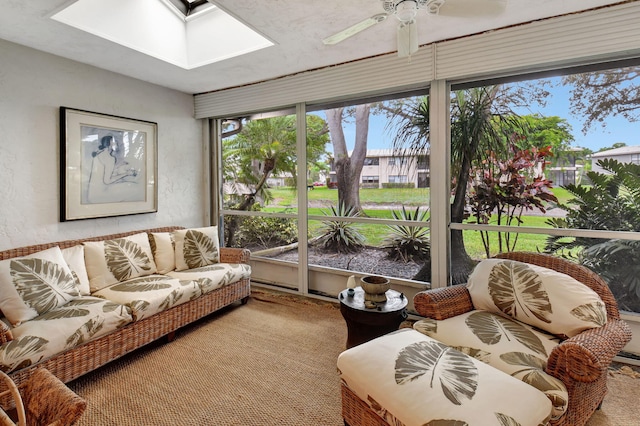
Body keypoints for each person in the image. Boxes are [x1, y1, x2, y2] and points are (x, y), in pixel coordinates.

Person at [86, 135, 138, 203]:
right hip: (100, 196)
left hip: (91, 195)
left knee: (123, 184)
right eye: (115, 142)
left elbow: (102, 172)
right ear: (110, 144)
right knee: (134, 187)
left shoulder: (98, 153)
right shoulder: (110, 158)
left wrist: (119, 165)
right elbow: (107, 181)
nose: (118, 144)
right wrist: (127, 173)